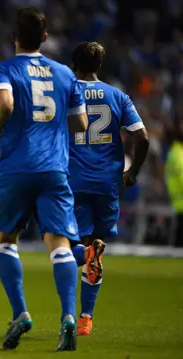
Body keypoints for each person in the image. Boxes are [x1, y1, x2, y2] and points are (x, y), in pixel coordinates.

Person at [0, 7, 88, 351]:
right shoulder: (64, 74)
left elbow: (5, 101)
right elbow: (82, 125)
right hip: (55, 169)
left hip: (16, 167)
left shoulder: (2, 69)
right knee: (59, 244)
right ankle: (69, 318)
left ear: (13, 36)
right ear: (44, 38)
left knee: (5, 239)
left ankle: (20, 314)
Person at [69, 42, 150, 335]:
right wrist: (133, 172)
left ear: (73, 64)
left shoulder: (67, 92)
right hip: (107, 183)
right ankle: (86, 318)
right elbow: (142, 138)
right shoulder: (117, 96)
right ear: (99, 66)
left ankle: (83, 257)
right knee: (97, 250)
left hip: (74, 180)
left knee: (63, 245)